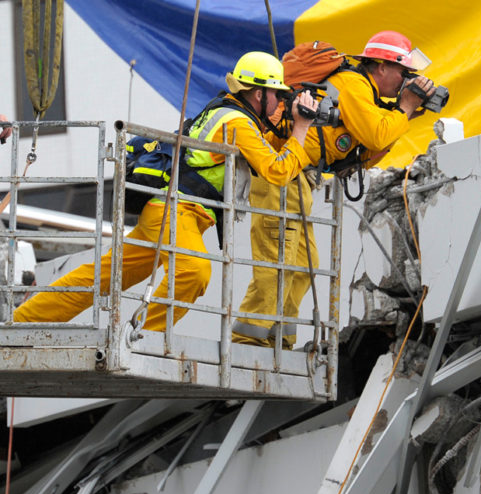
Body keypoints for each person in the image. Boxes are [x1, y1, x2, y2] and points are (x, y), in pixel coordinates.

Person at [14, 52, 318, 331]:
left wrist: (290, 127)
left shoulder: (231, 115)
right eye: (277, 94)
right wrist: (302, 127)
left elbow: (266, 152)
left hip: (168, 211)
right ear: (258, 92)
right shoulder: (237, 122)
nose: (280, 102)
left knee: (102, 276)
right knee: (195, 271)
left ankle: (18, 323)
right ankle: (143, 334)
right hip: (178, 211)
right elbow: (278, 171)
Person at [232, 30, 435, 349]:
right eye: (403, 72)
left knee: (304, 264)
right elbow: (378, 135)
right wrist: (405, 108)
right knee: (279, 257)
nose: (405, 81)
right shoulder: (352, 85)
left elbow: (365, 155)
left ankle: (279, 339)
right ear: (381, 67)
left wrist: (403, 112)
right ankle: (247, 340)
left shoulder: (365, 95)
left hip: (299, 178)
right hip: (281, 172)